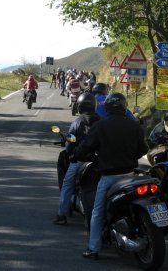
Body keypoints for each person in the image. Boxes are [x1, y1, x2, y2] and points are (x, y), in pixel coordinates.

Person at [74, 92, 148, 259]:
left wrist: (76, 154)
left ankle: (93, 248)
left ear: (106, 108)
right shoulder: (134, 125)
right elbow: (143, 150)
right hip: (131, 175)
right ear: (124, 106)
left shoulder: (100, 126)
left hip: (109, 178)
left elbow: (85, 147)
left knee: (97, 212)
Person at [53, 92, 100, 225]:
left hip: (81, 160)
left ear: (79, 107)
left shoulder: (77, 122)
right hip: (99, 161)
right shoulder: (102, 121)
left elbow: (70, 142)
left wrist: (70, 152)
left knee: (67, 184)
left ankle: (62, 215)